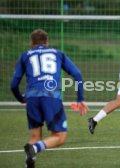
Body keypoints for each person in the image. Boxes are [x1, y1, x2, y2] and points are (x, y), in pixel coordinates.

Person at [11, 29, 89, 168]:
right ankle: (34, 149)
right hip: (51, 97)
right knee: (59, 136)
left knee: (34, 137)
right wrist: (80, 99)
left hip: (32, 98)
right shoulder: (57, 53)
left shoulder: (25, 55)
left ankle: (30, 158)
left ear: (31, 43)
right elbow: (77, 74)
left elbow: (14, 84)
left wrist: (21, 99)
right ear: (47, 42)